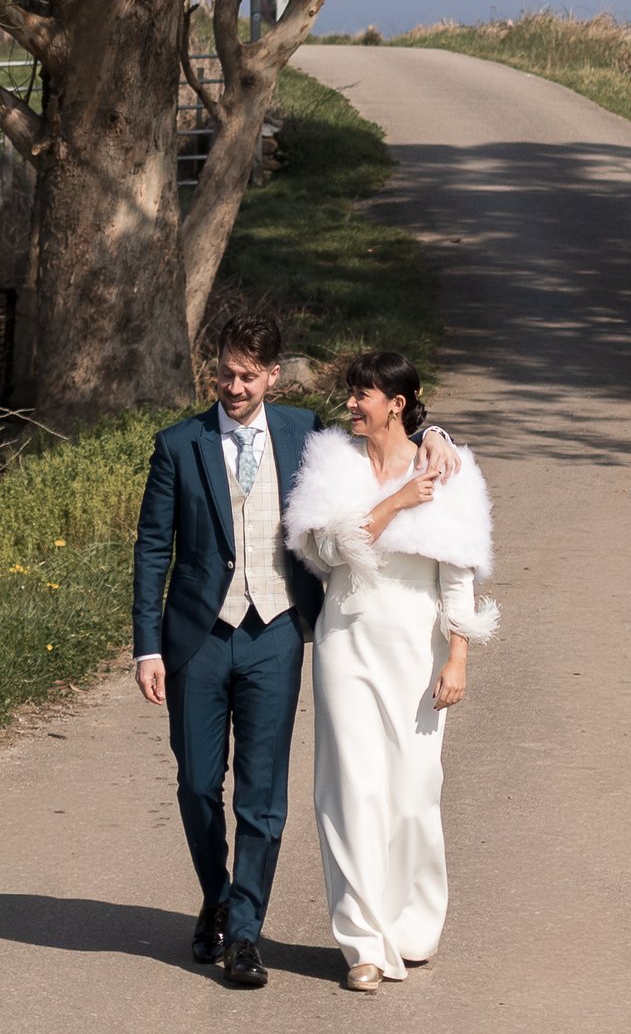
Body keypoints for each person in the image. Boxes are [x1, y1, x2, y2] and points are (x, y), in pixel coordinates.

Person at [132, 303, 459, 989]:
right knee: (197, 785)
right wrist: (147, 646)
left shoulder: (307, 434)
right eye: (226, 373)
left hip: (278, 634)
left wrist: (437, 432)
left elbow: (386, 433)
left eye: (249, 377)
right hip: (197, 637)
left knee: (263, 794)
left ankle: (244, 932)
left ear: (273, 377)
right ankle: (217, 897)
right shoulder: (177, 445)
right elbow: (152, 550)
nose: (235, 387)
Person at [284, 349, 497, 994]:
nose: (350, 403)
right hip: (346, 637)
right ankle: (363, 945)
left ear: (396, 404)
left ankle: (411, 925)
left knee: (413, 789)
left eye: (362, 394)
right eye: (350, 393)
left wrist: (458, 655)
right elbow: (323, 550)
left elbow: (458, 574)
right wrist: (396, 502)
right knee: (349, 789)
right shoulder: (332, 464)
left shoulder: (448, 469)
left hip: (416, 644)